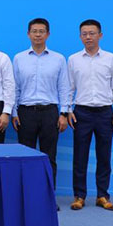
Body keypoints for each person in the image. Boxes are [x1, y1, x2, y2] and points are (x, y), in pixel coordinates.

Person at [68, 19, 113, 212]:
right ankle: (79, 196)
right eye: (84, 34)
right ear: (80, 36)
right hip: (81, 112)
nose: (88, 37)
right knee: (80, 156)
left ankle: (102, 195)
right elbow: (69, 87)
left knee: (104, 156)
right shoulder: (73, 59)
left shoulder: (111, 59)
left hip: (105, 112)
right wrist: (68, 110)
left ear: (100, 35)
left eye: (92, 33)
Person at [12, 18, 70, 191]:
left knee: (49, 157)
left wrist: (64, 113)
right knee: (25, 158)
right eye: (34, 31)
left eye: (41, 31)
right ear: (28, 34)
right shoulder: (19, 58)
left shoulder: (58, 59)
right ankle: (26, 197)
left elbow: (64, 87)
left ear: (48, 34)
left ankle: (48, 197)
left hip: (50, 113)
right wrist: (14, 113)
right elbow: (14, 88)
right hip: (25, 113)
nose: (38, 35)